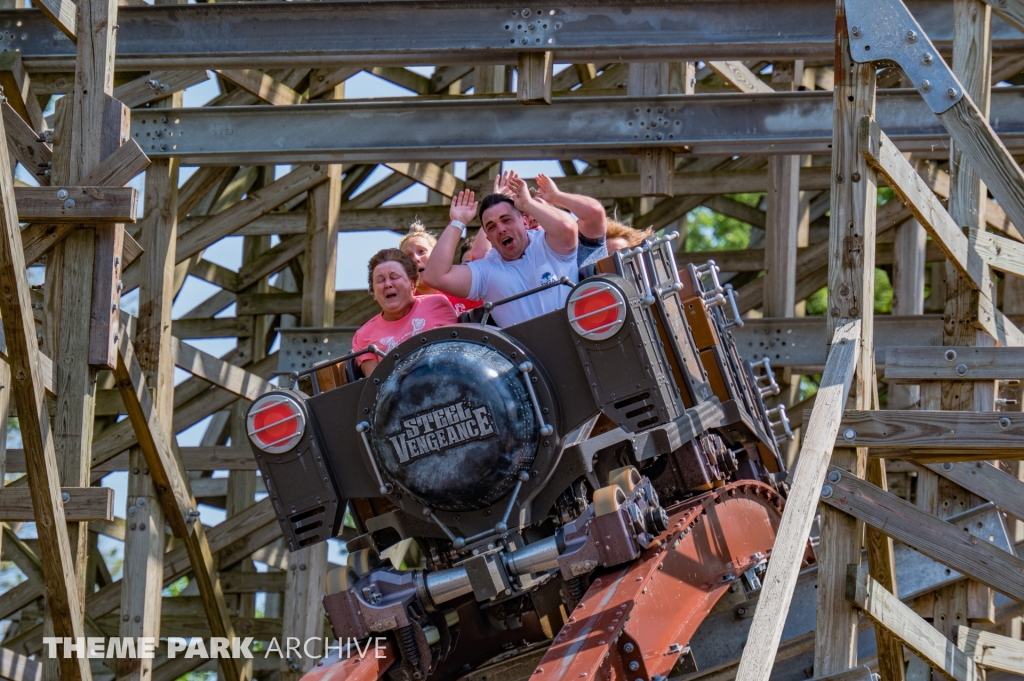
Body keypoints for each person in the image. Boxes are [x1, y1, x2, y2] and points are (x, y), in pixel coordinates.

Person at [422, 171, 578, 328]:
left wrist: (527, 204)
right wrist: (457, 222)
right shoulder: (486, 271)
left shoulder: (547, 244)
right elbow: (434, 277)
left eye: (506, 220)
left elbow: (567, 228)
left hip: (582, 342)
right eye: (491, 227)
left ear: (524, 221)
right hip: (530, 352)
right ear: (488, 238)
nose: (501, 229)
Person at [352, 248, 457, 376]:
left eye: (394, 277)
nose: (388, 284)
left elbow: (458, 354)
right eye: (380, 280)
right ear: (374, 293)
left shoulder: (437, 304)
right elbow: (377, 388)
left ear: (412, 284)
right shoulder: (364, 335)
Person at [493, 170, 608, 268]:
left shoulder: (581, 242)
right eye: (525, 215)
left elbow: (594, 213)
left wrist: (556, 196)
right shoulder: (514, 257)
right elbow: (477, 255)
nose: (533, 218)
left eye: (540, 210)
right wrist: (494, 208)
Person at [399, 223, 482, 316]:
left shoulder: (464, 289)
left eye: (421, 251)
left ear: (437, 254)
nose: (415, 258)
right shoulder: (402, 306)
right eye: (408, 256)